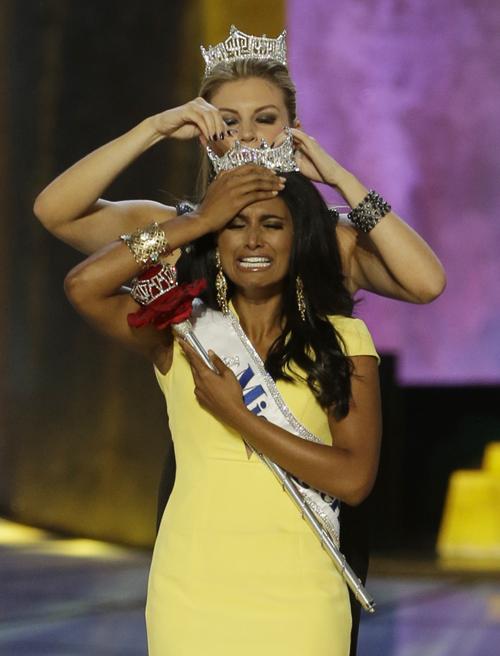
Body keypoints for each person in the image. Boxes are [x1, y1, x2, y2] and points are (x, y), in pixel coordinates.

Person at [33, 27, 445, 655]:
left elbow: (425, 281)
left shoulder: (329, 238)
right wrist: (154, 132)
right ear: (203, 129)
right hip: (205, 492)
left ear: (293, 126)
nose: (248, 136)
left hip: (307, 488)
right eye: (228, 121)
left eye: (266, 118)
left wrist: (337, 174)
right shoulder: (173, 227)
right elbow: (56, 214)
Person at [63, 163, 382, 654]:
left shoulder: (342, 339)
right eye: (235, 224)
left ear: (299, 239)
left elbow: (354, 478)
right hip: (191, 593)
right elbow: (84, 285)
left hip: (301, 599)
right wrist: (194, 222)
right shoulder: (182, 333)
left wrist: (239, 416)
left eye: (272, 225)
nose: (252, 240)